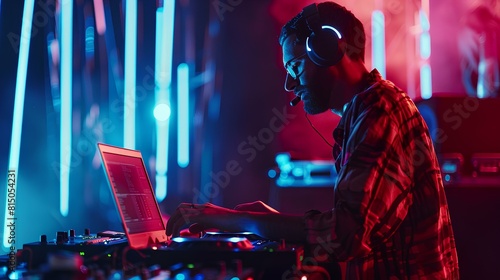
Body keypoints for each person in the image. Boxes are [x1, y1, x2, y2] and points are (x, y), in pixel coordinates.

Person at [166, 2, 459, 279]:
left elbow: (346, 236)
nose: (290, 84)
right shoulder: (368, 111)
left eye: (295, 66)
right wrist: (270, 221)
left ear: (327, 50)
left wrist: (234, 220)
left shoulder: (380, 112)